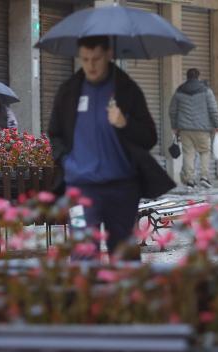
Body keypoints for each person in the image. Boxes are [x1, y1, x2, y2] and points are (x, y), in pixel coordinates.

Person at [48, 35, 173, 259]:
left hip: (122, 188)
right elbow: (55, 134)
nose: (90, 65)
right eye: (85, 59)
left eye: (96, 58)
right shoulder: (69, 92)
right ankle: (86, 294)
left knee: (124, 252)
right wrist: (66, 162)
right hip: (79, 188)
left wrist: (125, 123)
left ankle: (123, 294)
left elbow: (149, 136)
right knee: (82, 250)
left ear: (108, 55)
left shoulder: (127, 90)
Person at [169, 68, 218, 190]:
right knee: (204, 151)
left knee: (188, 154)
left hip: (185, 129)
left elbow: (172, 111)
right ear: (198, 77)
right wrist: (217, 124)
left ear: (187, 77)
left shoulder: (179, 91)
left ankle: (190, 180)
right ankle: (204, 177)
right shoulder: (206, 91)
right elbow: (213, 109)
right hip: (202, 129)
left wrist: (174, 126)